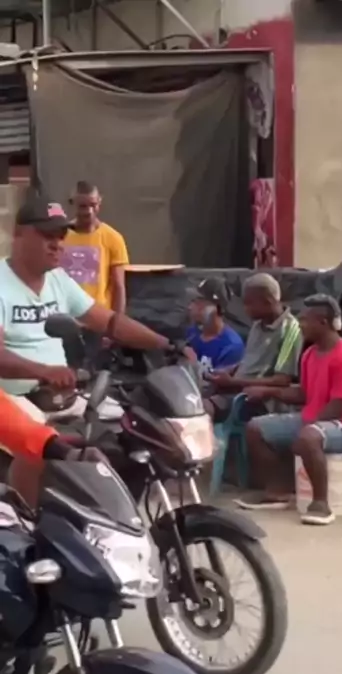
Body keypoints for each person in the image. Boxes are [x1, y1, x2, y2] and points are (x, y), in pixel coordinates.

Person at [0, 194, 191, 503]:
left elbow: (110, 322)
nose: (57, 244)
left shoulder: (58, 281)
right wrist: (43, 371)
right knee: (37, 441)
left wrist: (167, 345)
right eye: (47, 235)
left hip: (64, 393)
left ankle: (123, 513)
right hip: (15, 398)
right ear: (19, 233)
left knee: (138, 428)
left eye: (61, 236)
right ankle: (30, 515)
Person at [237, 294, 342, 525]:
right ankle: (277, 492)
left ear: (323, 322)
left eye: (305, 320)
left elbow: (339, 407)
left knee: (308, 438)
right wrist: (267, 391)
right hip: (316, 420)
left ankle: (321, 505)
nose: (300, 325)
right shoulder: (310, 354)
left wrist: (307, 426)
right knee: (256, 429)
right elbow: (304, 394)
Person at [205, 272, 302, 421]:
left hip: (258, 399)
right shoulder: (257, 325)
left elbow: (281, 380)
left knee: (204, 408)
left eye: (249, 303)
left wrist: (233, 382)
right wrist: (230, 370)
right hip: (236, 388)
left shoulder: (290, 330)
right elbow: (251, 360)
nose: (245, 309)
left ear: (268, 301)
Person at [61, 180, 129, 312]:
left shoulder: (113, 238)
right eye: (83, 206)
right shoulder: (59, 236)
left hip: (97, 315)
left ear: (100, 202)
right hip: (65, 313)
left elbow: (119, 286)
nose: (89, 211)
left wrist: (117, 322)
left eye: (93, 205)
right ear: (72, 203)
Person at [187, 277, 244, 374]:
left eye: (199, 302)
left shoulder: (231, 346)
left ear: (217, 308)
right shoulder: (192, 332)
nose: (190, 307)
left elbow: (220, 381)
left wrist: (194, 365)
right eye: (193, 301)